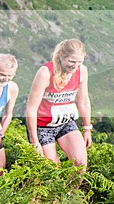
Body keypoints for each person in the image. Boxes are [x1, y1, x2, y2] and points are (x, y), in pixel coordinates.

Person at [25, 39, 92, 171]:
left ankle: (71, 192)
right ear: (61, 56)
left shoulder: (82, 71)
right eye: (72, 61)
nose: (75, 66)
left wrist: (87, 129)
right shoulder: (45, 73)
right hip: (43, 127)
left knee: (80, 163)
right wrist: (34, 140)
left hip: (66, 123)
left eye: (80, 62)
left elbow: (83, 100)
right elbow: (31, 109)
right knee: (52, 170)